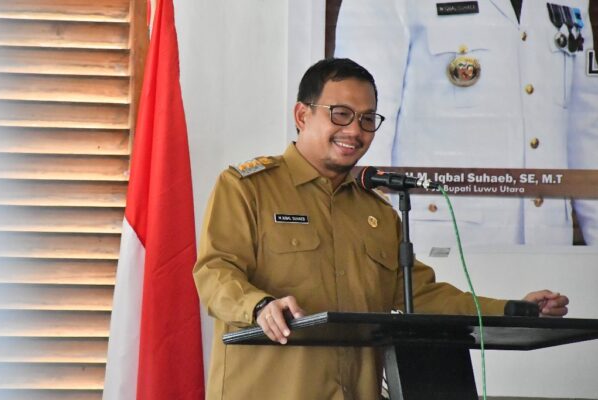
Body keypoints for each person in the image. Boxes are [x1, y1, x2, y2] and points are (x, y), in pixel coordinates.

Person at [192, 58, 570, 400]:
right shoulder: (248, 188)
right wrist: (259, 306)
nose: (355, 130)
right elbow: (214, 272)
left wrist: (512, 309)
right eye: (341, 114)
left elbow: (419, 294)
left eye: (367, 119)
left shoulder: (377, 211)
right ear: (302, 115)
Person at [334, 0, 598, 248]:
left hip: (549, 242)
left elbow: (586, 129)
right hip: (437, 245)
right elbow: (363, 128)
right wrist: (372, 248)